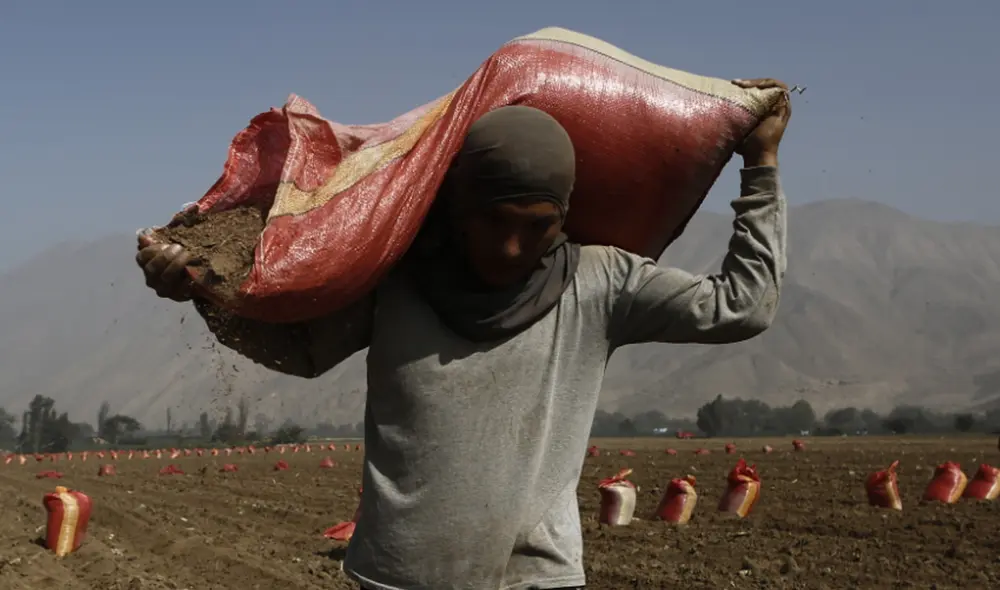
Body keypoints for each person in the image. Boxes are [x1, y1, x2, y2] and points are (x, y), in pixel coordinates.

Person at [136, 78, 791, 590]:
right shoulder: (396, 277)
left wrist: (759, 167)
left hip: (537, 578)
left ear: (564, 217)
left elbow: (743, 306)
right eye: (493, 221)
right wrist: (202, 293)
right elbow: (300, 350)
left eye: (538, 226)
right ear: (456, 206)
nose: (511, 247)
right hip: (398, 579)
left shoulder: (601, 283)